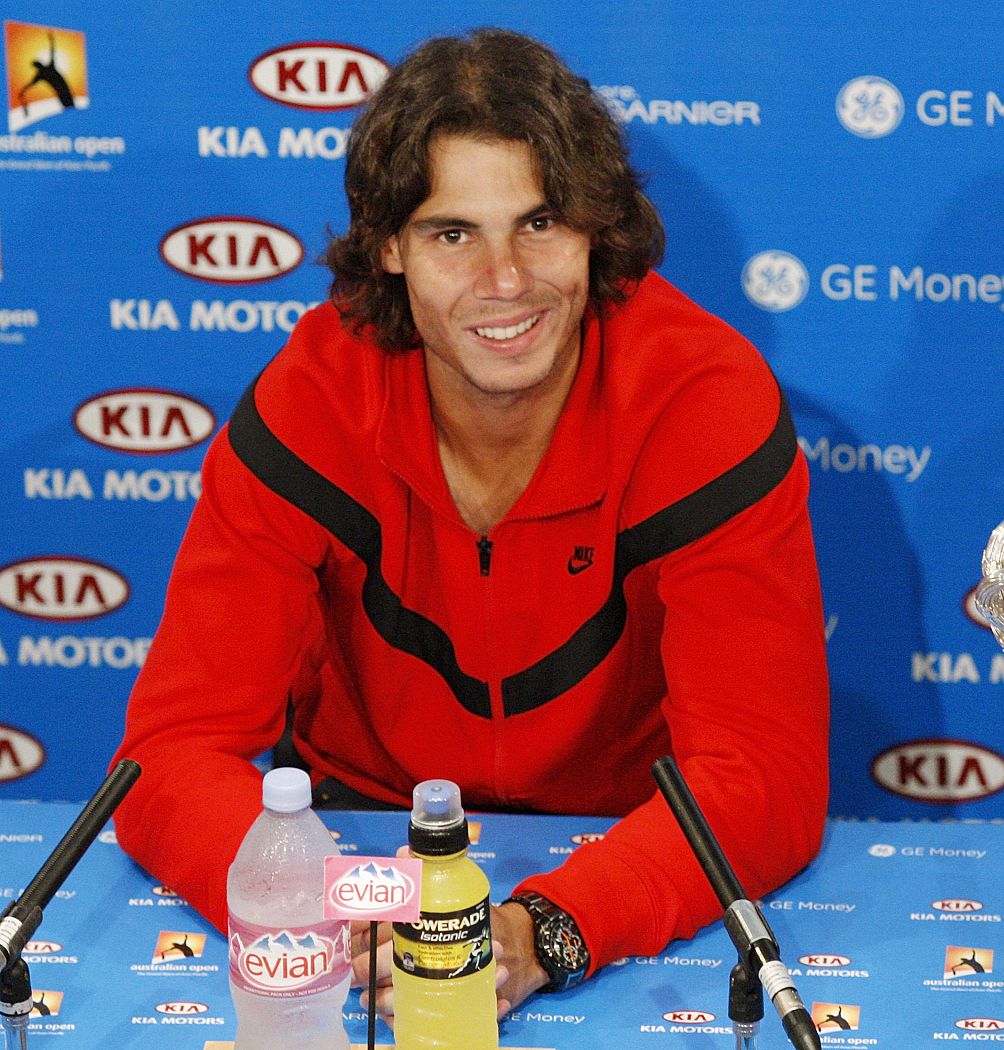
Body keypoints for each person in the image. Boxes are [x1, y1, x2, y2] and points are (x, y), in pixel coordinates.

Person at [110, 27, 829, 1020]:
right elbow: (170, 755)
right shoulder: (310, 401)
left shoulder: (703, 400)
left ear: (596, 229)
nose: (505, 280)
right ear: (392, 249)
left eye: (540, 224)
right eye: (454, 234)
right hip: (356, 843)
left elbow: (763, 777)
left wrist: (545, 933)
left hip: (624, 849)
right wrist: (327, 910)